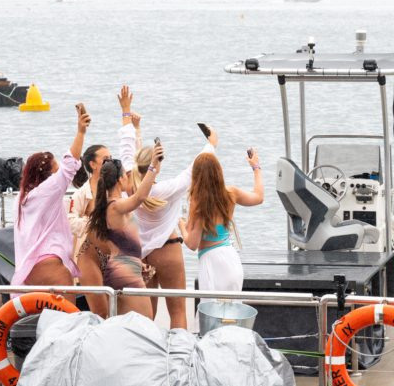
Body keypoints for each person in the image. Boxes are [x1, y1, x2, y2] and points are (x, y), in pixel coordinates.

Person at [123, 126, 218, 329]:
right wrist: (211, 144)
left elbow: (126, 153)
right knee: (177, 312)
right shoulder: (166, 190)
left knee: (146, 316)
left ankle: (146, 353)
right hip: (168, 250)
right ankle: (179, 355)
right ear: (157, 164)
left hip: (141, 256)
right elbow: (192, 170)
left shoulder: (130, 188)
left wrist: (128, 120)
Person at [67, 91, 139, 318]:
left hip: (117, 255)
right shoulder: (81, 194)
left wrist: (135, 128)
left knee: (125, 309)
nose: (110, 161)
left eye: (110, 158)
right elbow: (70, 221)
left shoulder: (117, 188)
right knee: (101, 311)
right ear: (92, 164)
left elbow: (133, 162)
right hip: (90, 254)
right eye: (105, 159)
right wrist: (95, 222)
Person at [11, 108, 90, 301]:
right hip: (50, 265)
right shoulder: (47, 191)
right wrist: (80, 132)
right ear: (48, 176)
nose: (58, 175)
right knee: (67, 319)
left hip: (28, 269)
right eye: (54, 171)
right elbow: (70, 165)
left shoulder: (22, 197)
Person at [87, 144, 163, 318]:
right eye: (125, 175)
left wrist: (137, 262)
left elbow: (122, 243)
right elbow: (140, 197)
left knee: (130, 326)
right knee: (144, 324)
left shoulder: (113, 205)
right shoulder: (115, 205)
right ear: (121, 180)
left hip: (125, 269)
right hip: (124, 273)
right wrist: (152, 167)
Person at [179, 149, 263, 295]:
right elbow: (258, 197)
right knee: (232, 313)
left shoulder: (198, 203)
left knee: (211, 313)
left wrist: (181, 225)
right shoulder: (231, 194)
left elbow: (192, 244)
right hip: (231, 260)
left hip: (211, 262)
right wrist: (256, 167)